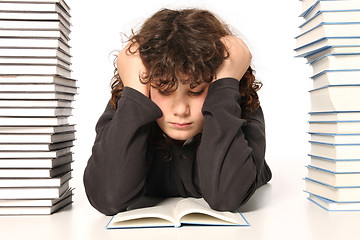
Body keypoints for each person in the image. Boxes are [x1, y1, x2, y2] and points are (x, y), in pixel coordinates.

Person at [83, 8, 272, 216]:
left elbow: (226, 197)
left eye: (196, 90)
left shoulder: (234, 106)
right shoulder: (129, 107)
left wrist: (226, 85)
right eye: (164, 90)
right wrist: (135, 93)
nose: (181, 110)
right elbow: (107, 198)